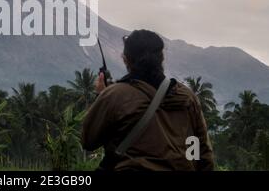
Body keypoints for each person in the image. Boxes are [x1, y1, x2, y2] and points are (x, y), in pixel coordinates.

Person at [82, 29, 214, 171]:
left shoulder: (114, 95)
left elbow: (89, 141)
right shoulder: (187, 96)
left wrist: (101, 96)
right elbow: (203, 151)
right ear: (162, 58)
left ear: (126, 59)